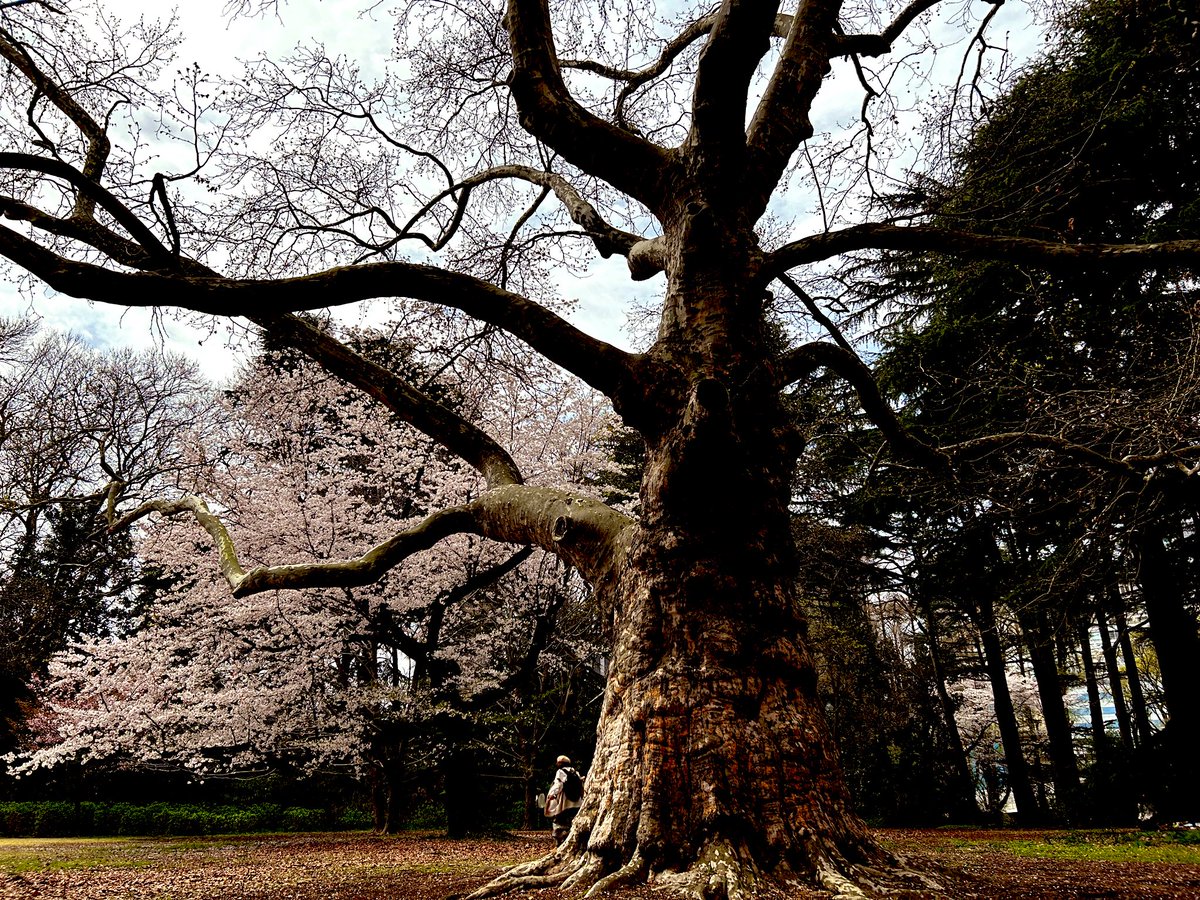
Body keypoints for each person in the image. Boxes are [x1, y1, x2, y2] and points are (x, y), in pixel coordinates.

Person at [543, 754, 584, 844]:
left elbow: (558, 784)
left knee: (559, 820)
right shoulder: (575, 772)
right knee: (571, 821)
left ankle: (559, 840)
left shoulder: (561, 772)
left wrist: (552, 795)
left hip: (565, 802)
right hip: (577, 802)